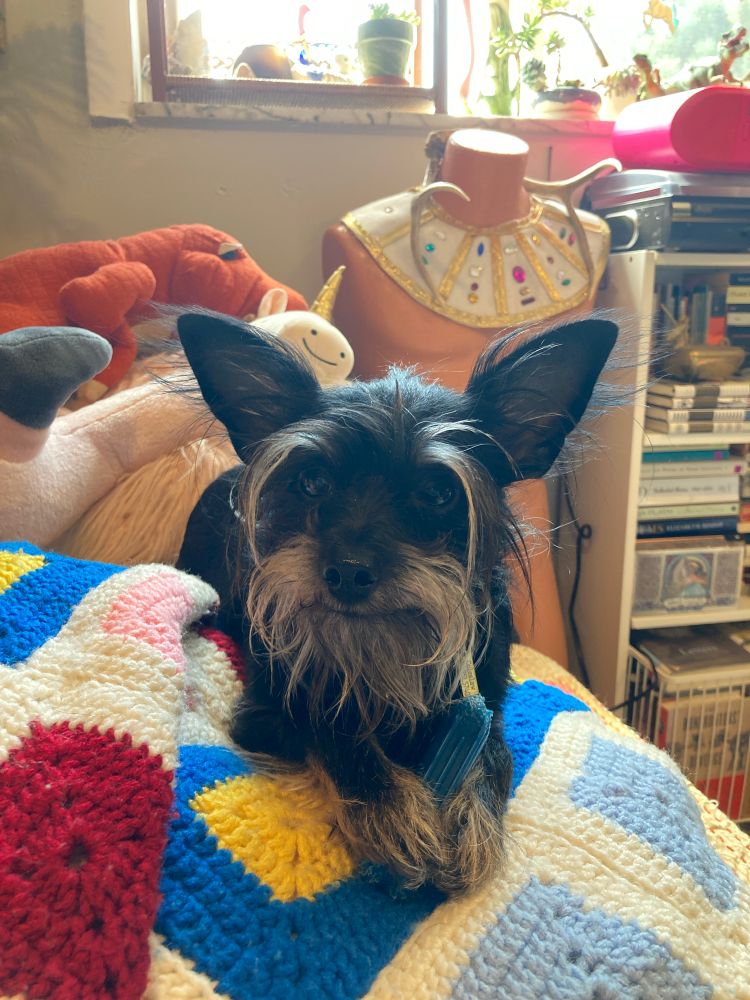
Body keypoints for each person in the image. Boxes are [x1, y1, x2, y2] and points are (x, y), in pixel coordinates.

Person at [322, 127, 616, 668]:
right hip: (396, 531)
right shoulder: (361, 239)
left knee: (538, 682)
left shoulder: (588, 239)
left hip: (529, 542)